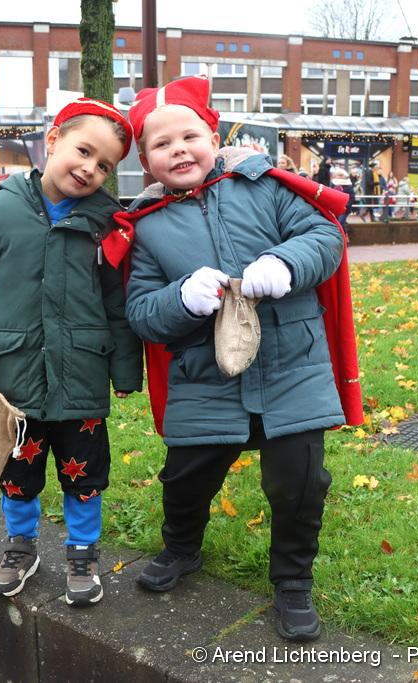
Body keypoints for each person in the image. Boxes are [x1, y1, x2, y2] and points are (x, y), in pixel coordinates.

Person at [113, 75, 360, 642]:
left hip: (292, 366)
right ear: (146, 162)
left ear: (213, 136)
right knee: (185, 479)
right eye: (161, 144)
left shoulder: (265, 187)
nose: (179, 150)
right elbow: (142, 313)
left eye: (189, 137)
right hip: (204, 377)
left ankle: (292, 581)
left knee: (299, 483)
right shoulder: (147, 228)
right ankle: (182, 548)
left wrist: (285, 263)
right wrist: (180, 299)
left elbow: (323, 237)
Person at [0, 98, 143, 607]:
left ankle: (83, 551)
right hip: (16, 378)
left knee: (85, 473)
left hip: (82, 377)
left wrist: (125, 369)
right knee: (18, 473)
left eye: (105, 165)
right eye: (84, 151)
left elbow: (117, 302)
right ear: (53, 140)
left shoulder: (108, 223)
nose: (90, 169)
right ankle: (21, 546)